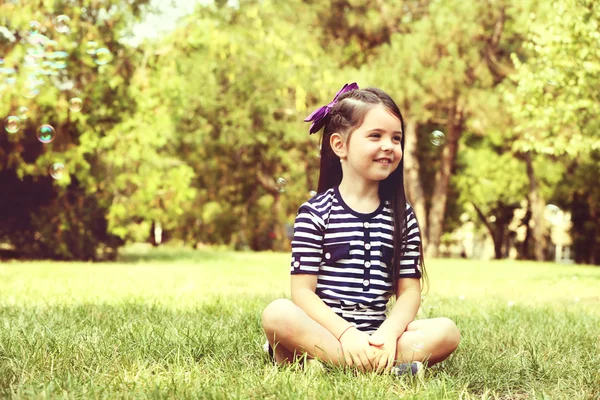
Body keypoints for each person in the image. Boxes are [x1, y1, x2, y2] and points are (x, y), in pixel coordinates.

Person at [261, 83, 460, 376]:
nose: (389, 146)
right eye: (375, 136)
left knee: (447, 332)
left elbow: (409, 294)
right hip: (328, 329)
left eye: (396, 138)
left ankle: (324, 361)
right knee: (276, 313)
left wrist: (389, 335)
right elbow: (302, 293)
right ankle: (376, 366)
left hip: (378, 335)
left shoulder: (402, 217)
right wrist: (345, 335)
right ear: (339, 145)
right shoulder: (315, 214)